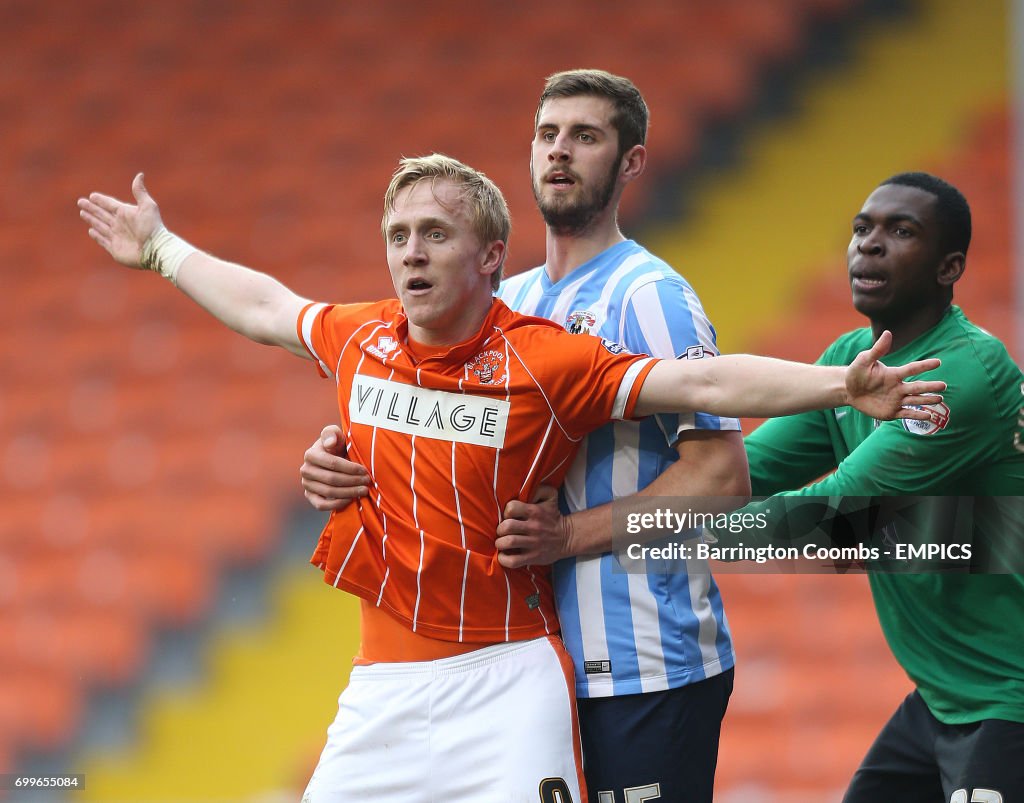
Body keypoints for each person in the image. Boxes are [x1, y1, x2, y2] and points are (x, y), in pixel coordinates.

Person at [77, 156, 941, 802]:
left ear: (491, 256)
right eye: (398, 236)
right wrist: (159, 248)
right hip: (382, 686)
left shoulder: (546, 360)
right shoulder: (359, 337)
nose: (411, 255)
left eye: (436, 235)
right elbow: (264, 306)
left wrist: (840, 385)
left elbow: (702, 383)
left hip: (509, 682)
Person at [299, 69, 751, 802]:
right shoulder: (512, 299)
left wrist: (570, 536)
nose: (560, 152)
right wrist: (333, 458)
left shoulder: (649, 295)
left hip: (645, 660)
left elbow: (723, 478)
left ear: (631, 162)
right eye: (547, 135)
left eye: (585, 136)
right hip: (538, 665)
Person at [738, 173, 1024, 802]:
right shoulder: (851, 362)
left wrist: (640, 532)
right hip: (946, 694)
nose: (869, 245)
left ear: (950, 267)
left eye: (901, 232)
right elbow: (741, 473)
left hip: (1010, 696)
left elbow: (834, 520)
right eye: (862, 228)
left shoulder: (957, 377)